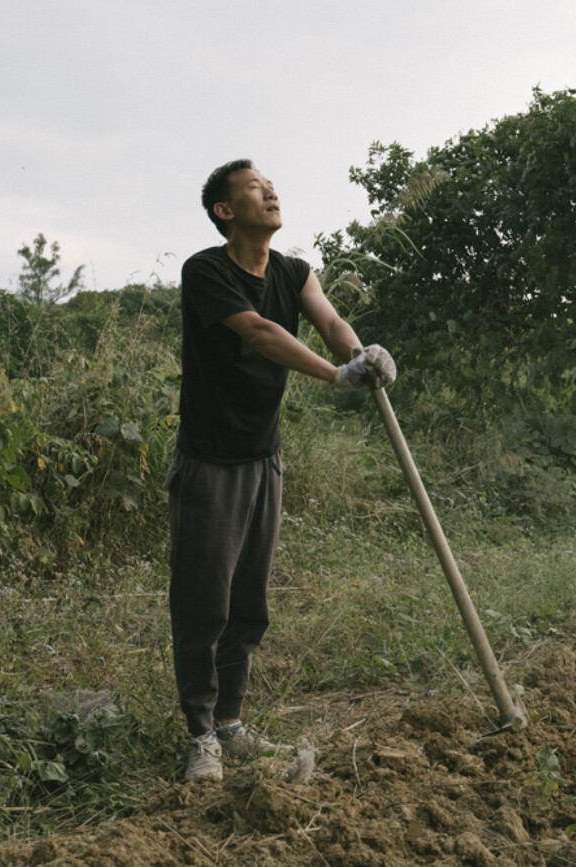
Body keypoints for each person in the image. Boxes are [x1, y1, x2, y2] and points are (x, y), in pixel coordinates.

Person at [168, 159, 396, 782]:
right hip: (210, 462)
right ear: (225, 211)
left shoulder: (294, 269)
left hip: (264, 459)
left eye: (269, 185)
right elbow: (260, 333)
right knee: (202, 605)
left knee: (248, 604)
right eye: (252, 188)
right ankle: (200, 736)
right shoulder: (205, 271)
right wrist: (333, 375)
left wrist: (361, 353)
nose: (269, 191)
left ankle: (232, 726)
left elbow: (328, 319)